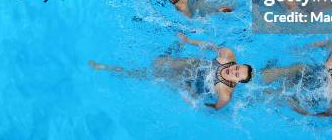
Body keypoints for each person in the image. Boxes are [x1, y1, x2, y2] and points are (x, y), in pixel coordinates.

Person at [88, 33, 253, 111]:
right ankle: (177, 47)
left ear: (237, 82)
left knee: (156, 75)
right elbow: (209, 45)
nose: (233, 71)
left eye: (237, 75)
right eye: (237, 67)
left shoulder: (225, 93)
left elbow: (215, 107)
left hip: (197, 86)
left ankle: (112, 69)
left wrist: (193, 101)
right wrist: (188, 40)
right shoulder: (227, 55)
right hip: (196, 66)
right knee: (158, 63)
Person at [261, 39, 332, 117]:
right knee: (300, 67)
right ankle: (262, 76)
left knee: (283, 96)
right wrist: (305, 48)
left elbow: (326, 114)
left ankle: (262, 96)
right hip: (309, 73)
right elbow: (327, 42)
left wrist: (303, 112)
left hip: (309, 95)